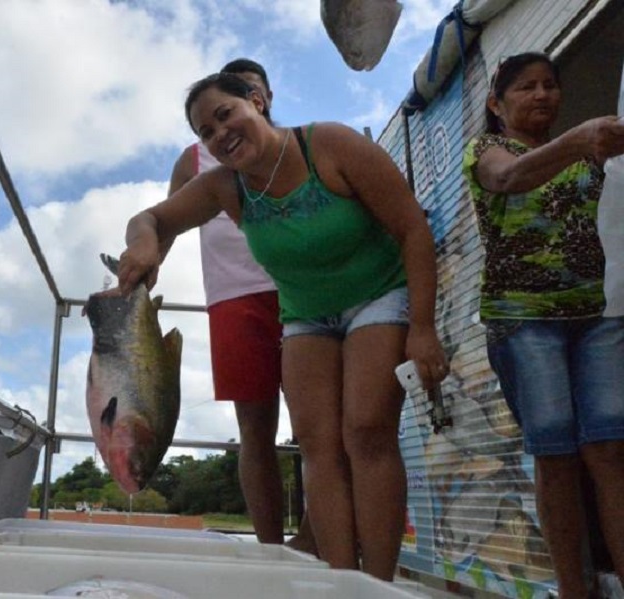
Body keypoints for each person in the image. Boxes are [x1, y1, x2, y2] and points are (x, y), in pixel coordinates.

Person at [116, 72, 447, 580]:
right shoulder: (225, 186)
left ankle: (378, 584)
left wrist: (422, 327)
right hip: (306, 314)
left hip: (378, 295)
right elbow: (150, 219)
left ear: (256, 101)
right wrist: (143, 242)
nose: (219, 134)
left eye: (225, 115)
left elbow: (411, 228)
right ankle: (340, 581)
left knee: (365, 430)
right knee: (316, 443)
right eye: (206, 131)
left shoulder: (329, 144)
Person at [462, 51, 624, 598]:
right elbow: (508, 179)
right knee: (554, 454)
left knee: (608, 449)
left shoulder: (592, 158)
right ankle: (573, 591)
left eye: (550, 85)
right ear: (496, 103)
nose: (541, 95)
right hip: (524, 321)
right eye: (526, 87)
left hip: (598, 316)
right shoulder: (489, 149)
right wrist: (580, 141)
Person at [166, 58, 314, 553]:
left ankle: (317, 537)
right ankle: (270, 547)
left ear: (263, 99)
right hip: (232, 297)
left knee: (315, 425)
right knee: (255, 430)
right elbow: (167, 223)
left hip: (304, 289)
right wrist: (138, 281)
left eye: (256, 90)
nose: (223, 129)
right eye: (212, 121)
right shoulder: (195, 159)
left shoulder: (300, 144)